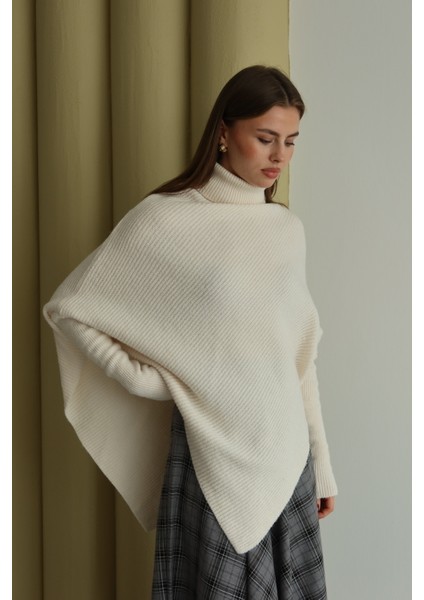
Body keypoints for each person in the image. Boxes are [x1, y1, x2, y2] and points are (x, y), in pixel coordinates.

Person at [44, 65, 338, 600]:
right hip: (209, 458)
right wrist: (146, 379)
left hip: (285, 459)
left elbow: (298, 362)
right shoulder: (164, 220)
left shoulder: (285, 231)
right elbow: (70, 308)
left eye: (291, 141)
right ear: (224, 132)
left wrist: (322, 465)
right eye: (265, 138)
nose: (279, 156)